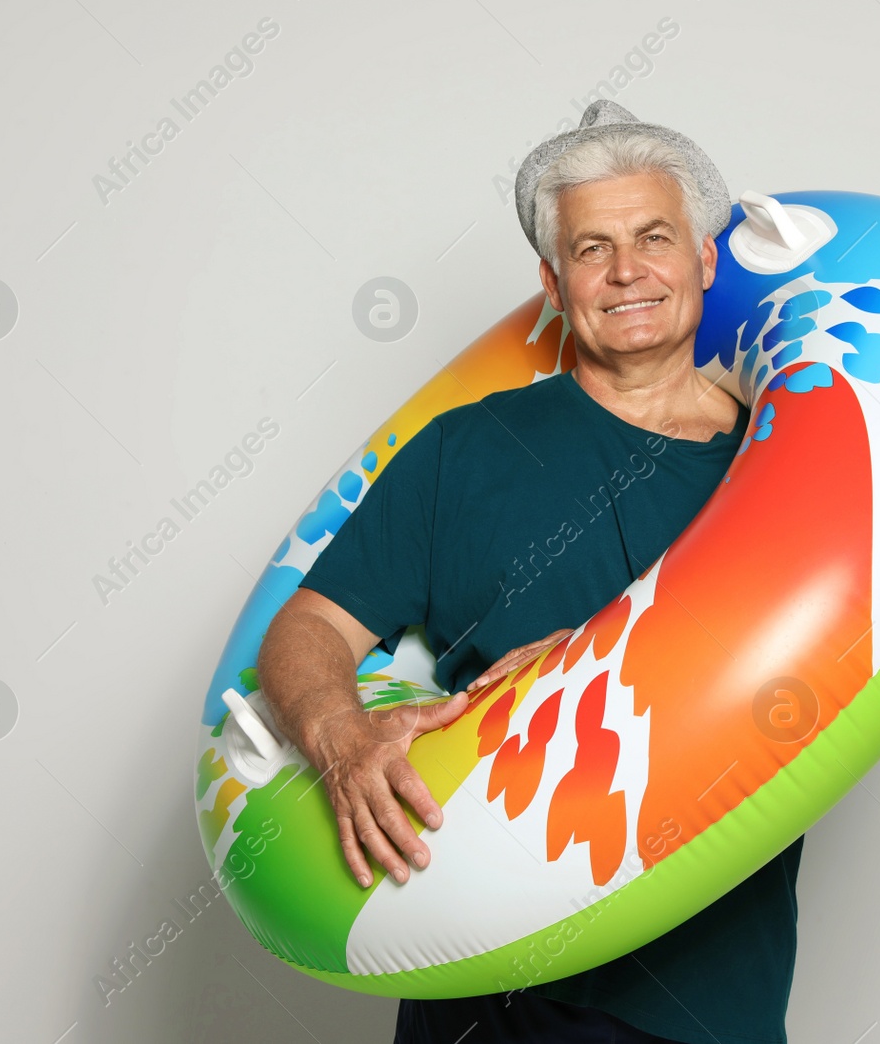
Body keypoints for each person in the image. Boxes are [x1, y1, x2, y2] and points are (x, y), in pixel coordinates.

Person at [258, 99, 803, 1044]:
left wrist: (583, 668)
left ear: (706, 261)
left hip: (705, 996)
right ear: (553, 284)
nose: (626, 271)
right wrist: (344, 741)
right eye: (591, 250)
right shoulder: (463, 451)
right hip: (484, 992)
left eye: (654, 237)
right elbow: (307, 631)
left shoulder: (784, 469)